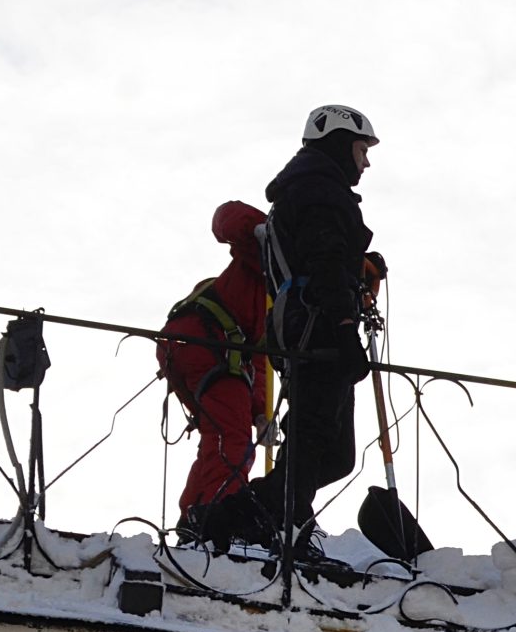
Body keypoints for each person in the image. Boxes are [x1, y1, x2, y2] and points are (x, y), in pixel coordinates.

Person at [186, 104, 382, 555]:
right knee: (315, 441)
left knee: (332, 453)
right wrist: (344, 325)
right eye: (360, 149)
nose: (366, 162)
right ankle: (235, 520)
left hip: (307, 327)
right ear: (337, 144)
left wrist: (360, 268)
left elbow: (326, 255)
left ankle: (266, 517)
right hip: (319, 330)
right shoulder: (319, 192)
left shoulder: (312, 191)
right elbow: (325, 260)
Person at [163, 201, 272, 534]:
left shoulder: (274, 295)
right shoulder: (259, 258)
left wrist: (259, 413)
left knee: (221, 436)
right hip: (206, 345)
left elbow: (259, 359)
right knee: (231, 437)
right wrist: (264, 231)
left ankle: (196, 515)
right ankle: (221, 516)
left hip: (194, 349)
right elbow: (226, 217)